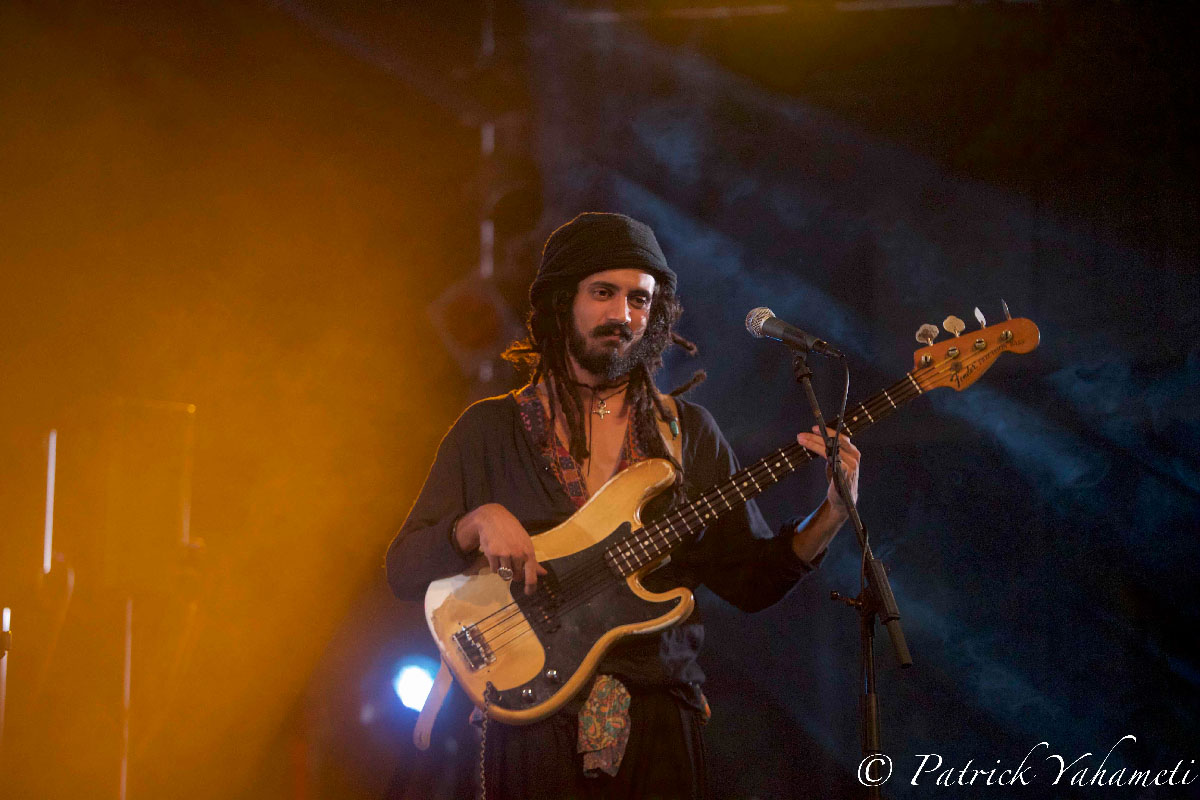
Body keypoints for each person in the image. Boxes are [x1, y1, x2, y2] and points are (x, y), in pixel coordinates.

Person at [385, 212, 860, 800]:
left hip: (658, 719)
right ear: (563, 302)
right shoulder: (488, 431)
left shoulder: (688, 434)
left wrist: (833, 512)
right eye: (603, 293)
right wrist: (475, 522)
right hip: (531, 723)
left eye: (639, 299)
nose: (622, 316)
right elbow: (404, 568)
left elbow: (750, 582)